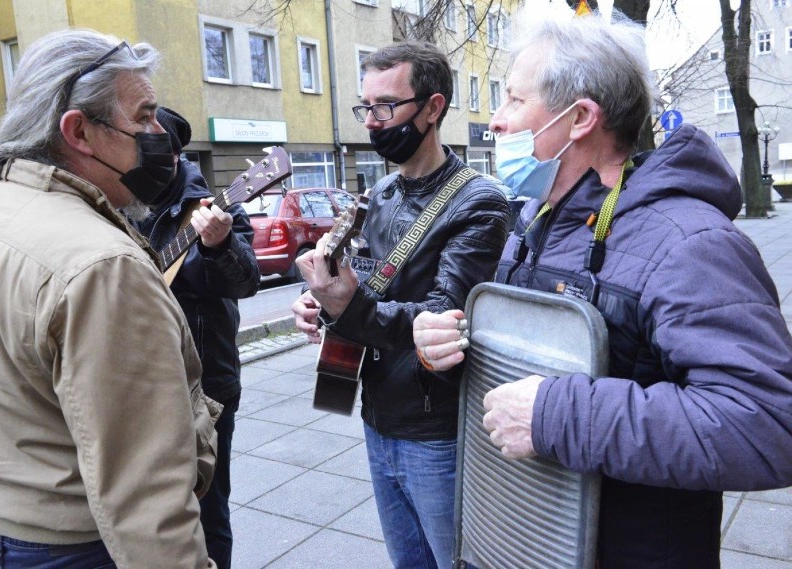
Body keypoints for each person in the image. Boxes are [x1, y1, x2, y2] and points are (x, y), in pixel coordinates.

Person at [412, 7, 792, 568]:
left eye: (515, 100)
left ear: (581, 117)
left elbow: (767, 424)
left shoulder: (689, 242)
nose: (496, 119)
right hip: (526, 541)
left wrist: (558, 418)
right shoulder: (533, 222)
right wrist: (447, 349)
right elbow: (526, 371)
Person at [0, 30, 221, 568]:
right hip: (88, 547)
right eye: (143, 117)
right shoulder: (101, 266)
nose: (161, 134)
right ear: (80, 133)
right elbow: (146, 498)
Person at [292, 41, 511, 568]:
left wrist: (347, 306)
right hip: (376, 413)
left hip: (435, 430)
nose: (372, 122)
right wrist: (320, 300)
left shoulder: (480, 201)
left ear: (433, 108)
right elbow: (369, 284)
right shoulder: (382, 193)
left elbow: (442, 319)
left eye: (386, 106)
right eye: (366, 107)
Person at [132, 106, 260, 569]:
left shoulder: (211, 207)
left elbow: (247, 280)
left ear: (171, 153)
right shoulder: (120, 201)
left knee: (206, 510)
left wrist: (218, 245)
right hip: (138, 381)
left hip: (205, 389)